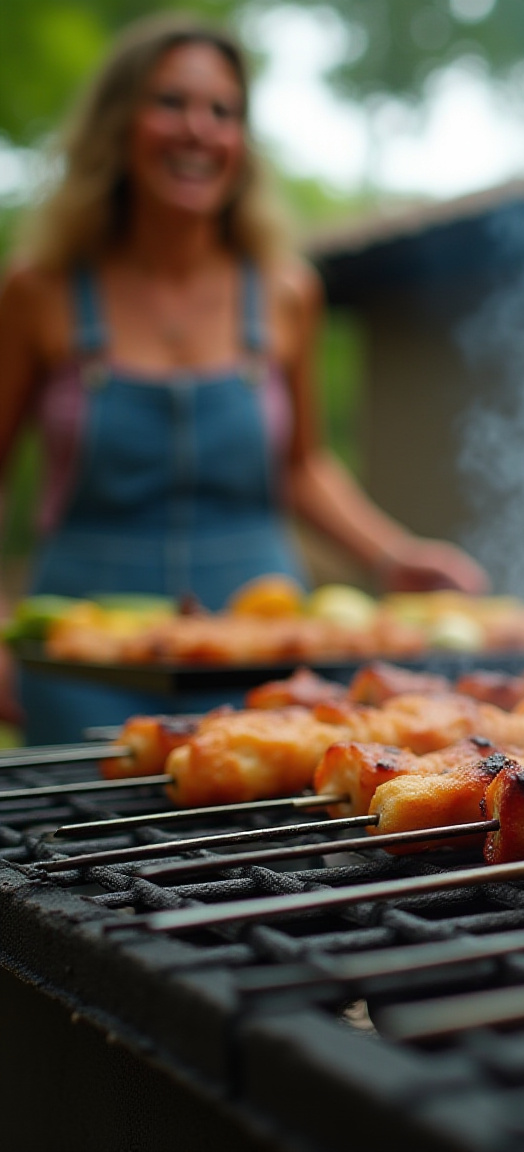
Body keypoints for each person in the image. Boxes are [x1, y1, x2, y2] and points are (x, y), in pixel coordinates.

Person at [0, 15, 487, 742]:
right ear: (117, 126)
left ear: (242, 144)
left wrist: (393, 555)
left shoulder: (286, 292)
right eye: (170, 102)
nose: (198, 129)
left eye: (222, 112)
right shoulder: (40, 292)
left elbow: (304, 467)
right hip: (83, 660)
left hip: (263, 649)